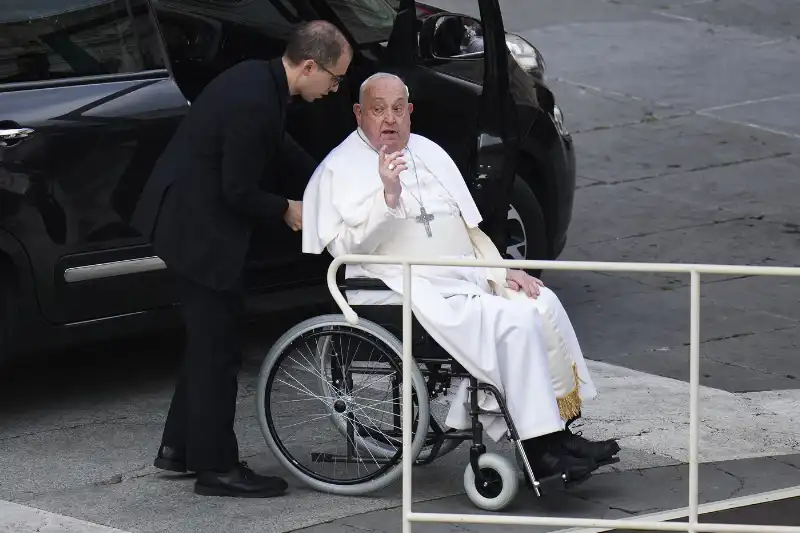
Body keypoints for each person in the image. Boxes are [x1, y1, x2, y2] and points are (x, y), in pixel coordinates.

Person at [302, 72, 619, 484]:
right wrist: (388, 195)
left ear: (410, 112)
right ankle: (540, 450)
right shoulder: (339, 168)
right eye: (378, 109)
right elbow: (346, 249)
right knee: (515, 322)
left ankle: (560, 433)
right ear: (359, 113)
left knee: (540, 302)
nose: (390, 119)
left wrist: (502, 270)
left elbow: (469, 232)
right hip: (399, 286)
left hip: (460, 277)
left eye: (399, 108)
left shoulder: (429, 152)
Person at [130, 21, 353, 498]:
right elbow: (237, 191)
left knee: (206, 343)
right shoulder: (255, 98)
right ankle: (217, 468)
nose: (335, 90)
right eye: (334, 80)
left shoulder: (261, 80)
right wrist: (286, 209)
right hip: (197, 231)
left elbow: (279, 145)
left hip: (188, 219)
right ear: (310, 66)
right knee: (218, 349)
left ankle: (181, 449)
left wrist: (327, 179)